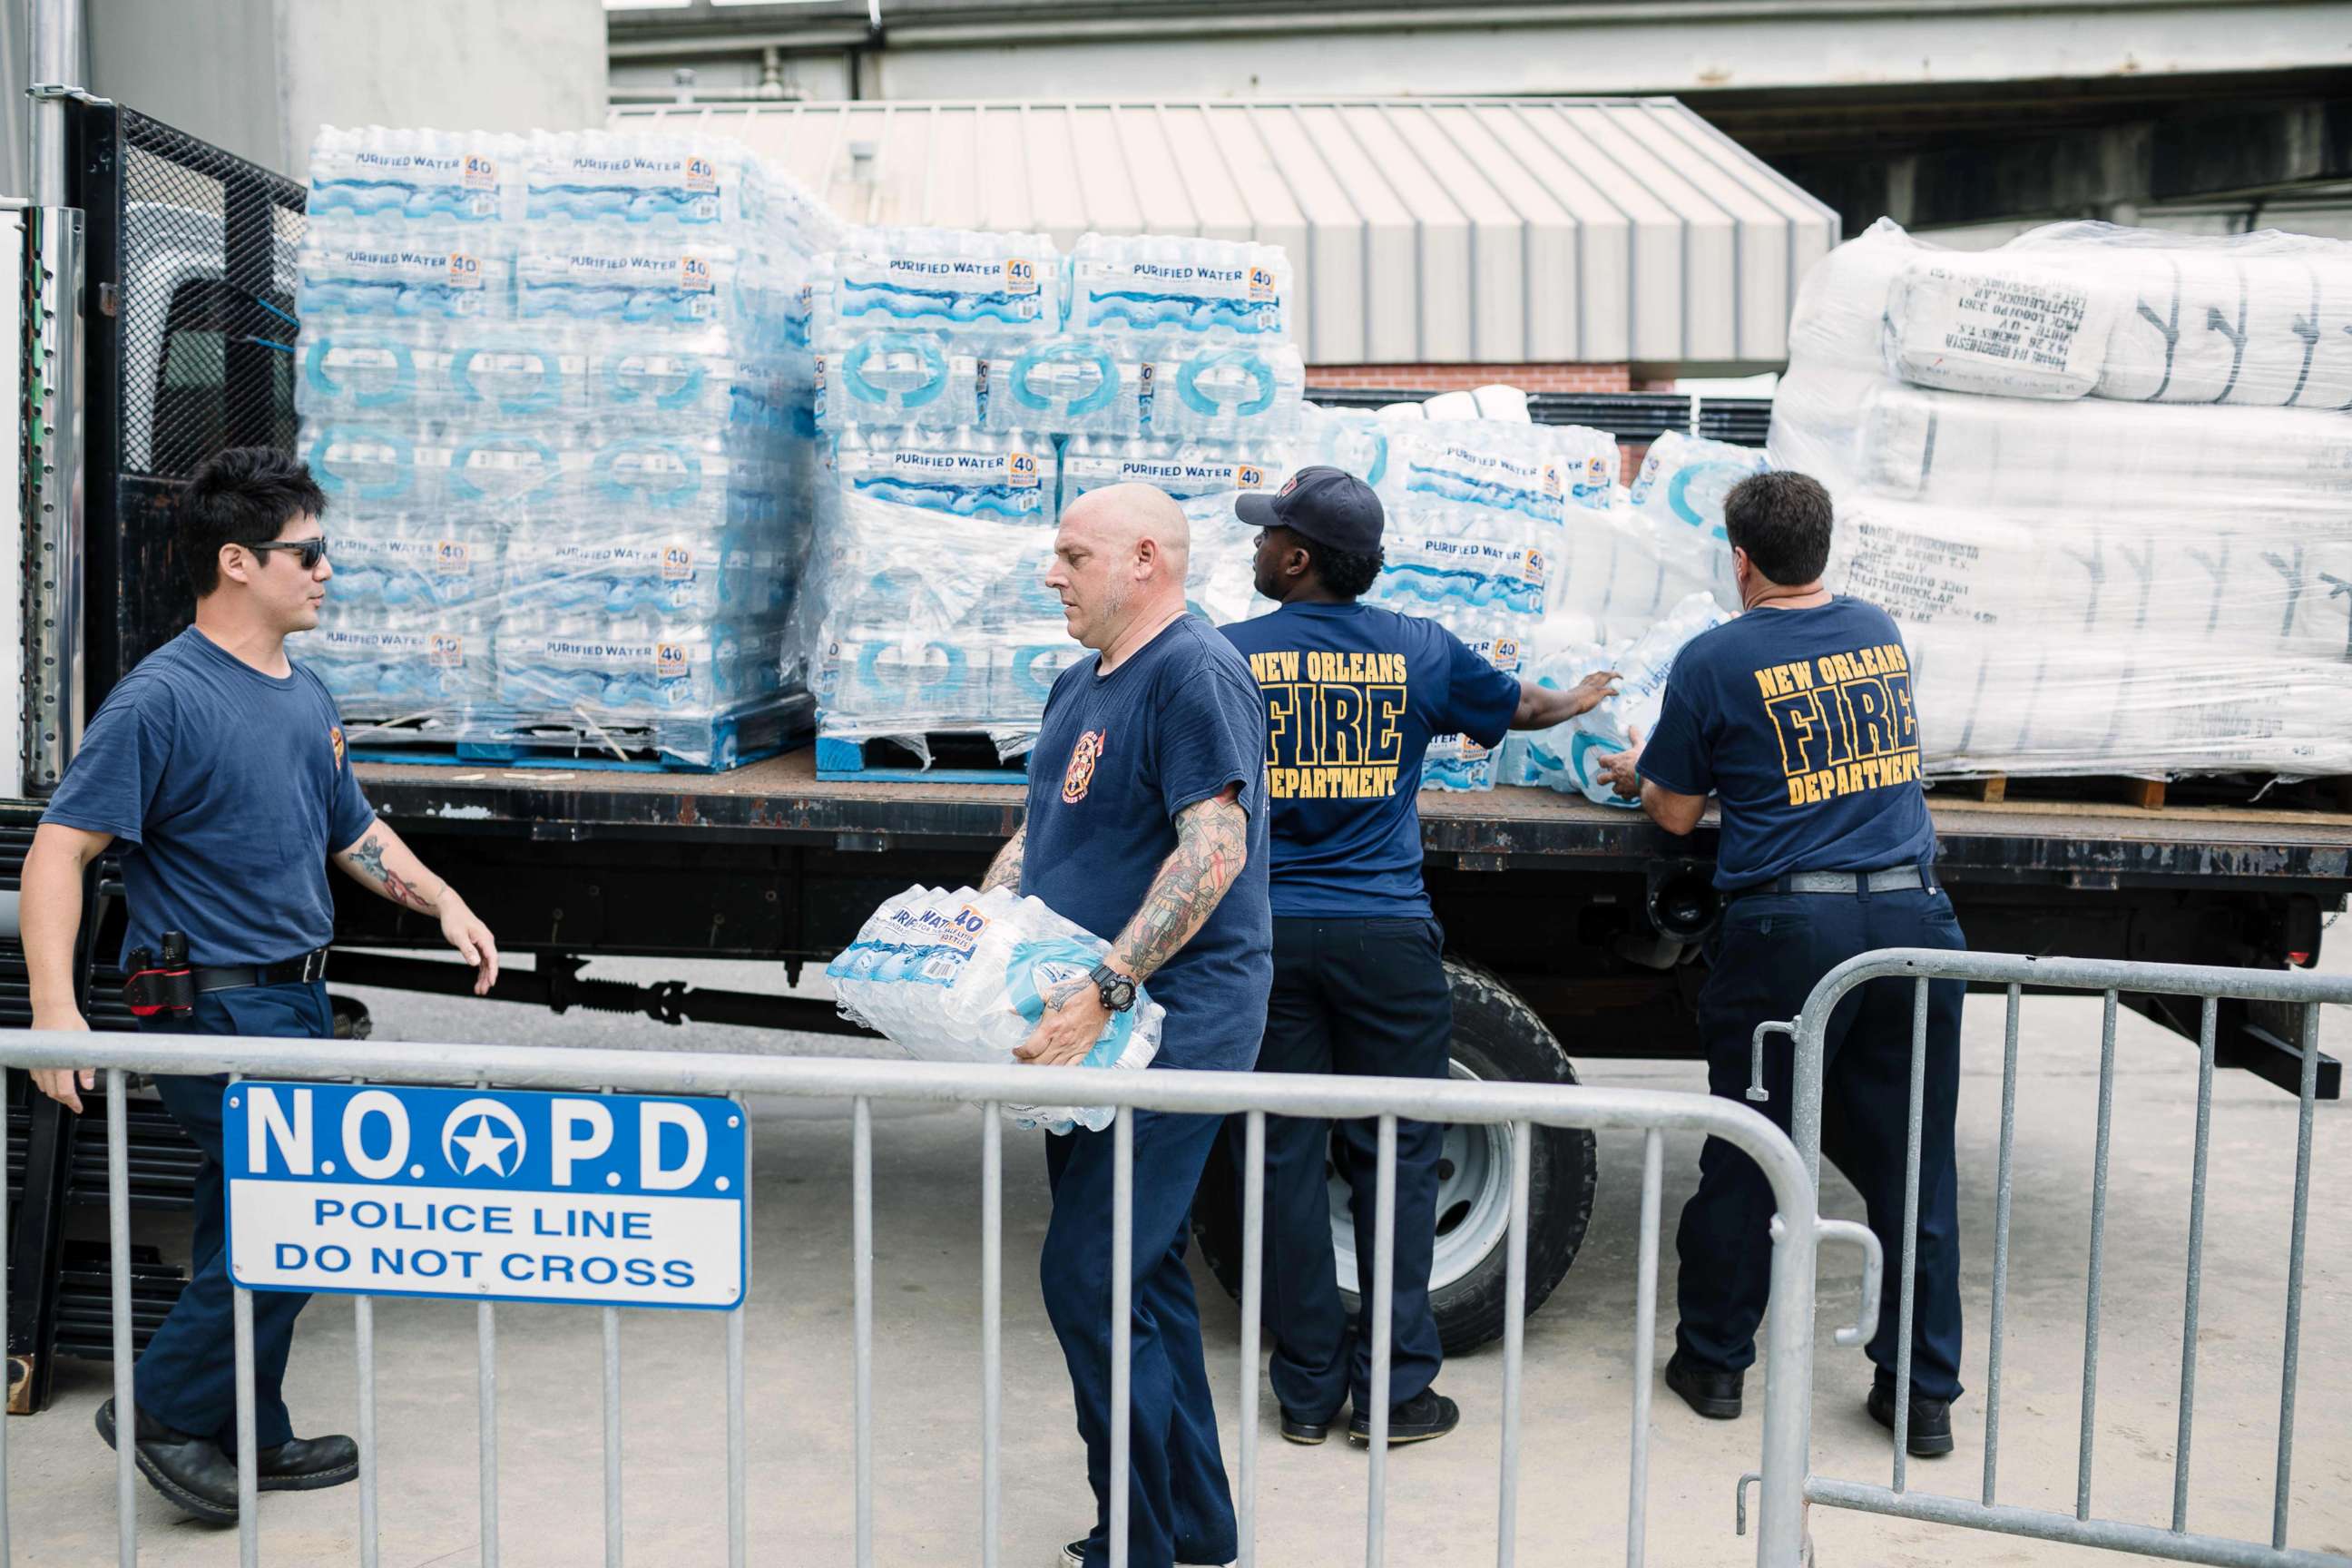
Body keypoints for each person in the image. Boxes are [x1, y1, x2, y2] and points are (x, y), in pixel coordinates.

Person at [22, 446, 500, 1524]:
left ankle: (248, 1426)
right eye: (309, 552)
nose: (327, 570)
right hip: (214, 1005)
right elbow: (60, 850)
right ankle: (162, 1410)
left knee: (252, 1213)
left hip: (290, 1000)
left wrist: (444, 902)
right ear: (237, 562)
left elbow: (354, 832)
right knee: (302, 1212)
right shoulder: (162, 700)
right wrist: (56, 1016)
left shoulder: (300, 689)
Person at [1216, 466, 1617, 1448]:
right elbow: (1513, 711)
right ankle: (1395, 1396)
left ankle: (1307, 1393)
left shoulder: (1226, 658)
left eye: (1268, 537)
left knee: (1282, 1159)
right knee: (1400, 1153)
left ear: (1299, 560)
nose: (1256, 547)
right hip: (1387, 938)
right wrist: (1573, 702)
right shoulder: (1418, 650)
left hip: (1270, 936)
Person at [1593, 470, 1967, 1457]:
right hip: (1913, 917)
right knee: (1915, 1161)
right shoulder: (1880, 632)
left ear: (1741, 559)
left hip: (1792, 938)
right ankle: (1921, 1395)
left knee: (1753, 1147)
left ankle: (1715, 1364)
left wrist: (1641, 770)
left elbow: (1674, 812)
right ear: (1826, 547)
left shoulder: (1717, 657)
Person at [977, 483, 1271, 1568]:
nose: (1050, 573)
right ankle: (1192, 1530)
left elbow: (1213, 852)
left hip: (1166, 1025)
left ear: (1144, 559)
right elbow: (1039, 834)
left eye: (1071, 554)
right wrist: (977, 929)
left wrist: (1106, 984)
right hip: (1088, 1022)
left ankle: (1145, 1539)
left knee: (1089, 1274)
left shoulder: (1194, 670)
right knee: (1135, 1277)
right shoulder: (1077, 681)